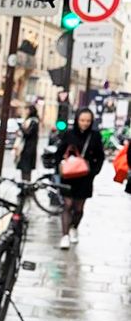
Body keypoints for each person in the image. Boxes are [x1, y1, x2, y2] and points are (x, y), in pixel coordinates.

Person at [55, 106, 105, 250]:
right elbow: (59, 153)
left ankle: (74, 227)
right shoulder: (69, 134)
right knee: (67, 205)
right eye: (82, 120)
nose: (85, 123)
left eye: (88, 121)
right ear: (77, 120)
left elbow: (100, 156)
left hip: (85, 177)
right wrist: (60, 168)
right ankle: (64, 235)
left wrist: (94, 172)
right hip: (68, 176)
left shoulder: (95, 136)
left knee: (78, 209)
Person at [15, 104, 39, 182]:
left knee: (26, 169)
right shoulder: (30, 120)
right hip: (26, 148)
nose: (26, 111)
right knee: (24, 169)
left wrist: (21, 127)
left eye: (27, 109)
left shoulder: (33, 122)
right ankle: (24, 186)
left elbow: (28, 133)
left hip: (28, 149)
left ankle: (26, 188)